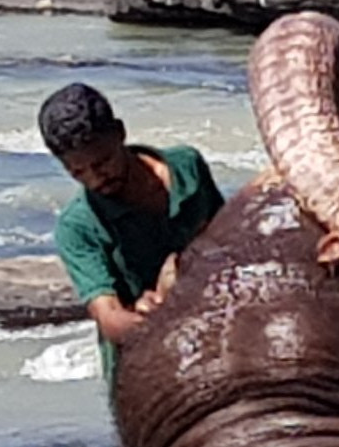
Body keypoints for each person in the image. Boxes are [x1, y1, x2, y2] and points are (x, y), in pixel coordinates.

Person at [38, 82, 224, 386]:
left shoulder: (187, 168)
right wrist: (158, 319)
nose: (95, 178)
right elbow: (110, 318)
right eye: (78, 172)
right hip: (140, 373)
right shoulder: (78, 227)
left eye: (102, 162)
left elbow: (225, 239)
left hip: (215, 342)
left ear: (120, 133)